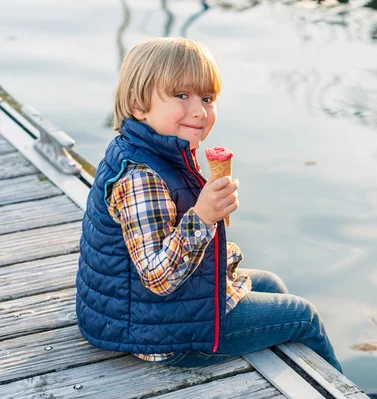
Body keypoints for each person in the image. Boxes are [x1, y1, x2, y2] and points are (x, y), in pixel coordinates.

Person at [75, 37, 343, 373]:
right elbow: (159, 277)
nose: (200, 111)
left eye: (208, 98)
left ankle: (305, 379)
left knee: (271, 284)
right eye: (182, 95)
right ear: (138, 104)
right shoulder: (141, 176)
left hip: (145, 314)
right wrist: (202, 216)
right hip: (158, 336)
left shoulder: (154, 151)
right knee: (304, 316)